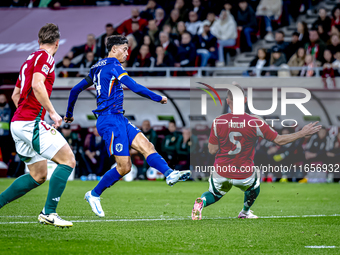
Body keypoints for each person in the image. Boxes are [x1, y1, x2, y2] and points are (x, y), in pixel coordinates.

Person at [64, 35, 191, 217]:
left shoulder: (96, 68)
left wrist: (69, 114)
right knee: (124, 167)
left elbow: (75, 90)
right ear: (113, 49)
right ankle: (93, 194)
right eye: (124, 49)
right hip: (109, 121)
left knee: (147, 146)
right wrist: (158, 98)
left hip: (119, 118)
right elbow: (134, 86)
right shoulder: (115, 66)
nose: (127, 53)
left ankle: (169, 173)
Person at [191, 84, 322, 220]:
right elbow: (278, 140)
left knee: (214, 193)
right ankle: (245, 212)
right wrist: (302, 133)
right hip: (244, 172)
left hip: (222, 170)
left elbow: (212, 150)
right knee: (254, 185)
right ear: (245, 100)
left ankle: (202, 202)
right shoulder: (255, 121)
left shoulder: (218, 122)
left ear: (227, 101)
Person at [0, 23, 75, 228]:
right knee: (68, 160)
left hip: (18, 122)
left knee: (38, 174)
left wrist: (24, 117)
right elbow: (37, 84)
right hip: (29, 122)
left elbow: (16, 95)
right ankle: (49, 213)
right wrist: (51, 112)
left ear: (39, 40)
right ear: (57, 43)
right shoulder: (47, 58)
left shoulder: (28, 60)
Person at [0, 93, 12, 165]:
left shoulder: (10, 109)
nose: (1, 101)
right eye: (0, 99)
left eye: (3, 99)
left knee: (6, 152)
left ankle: (6, 167)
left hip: (7, 135)